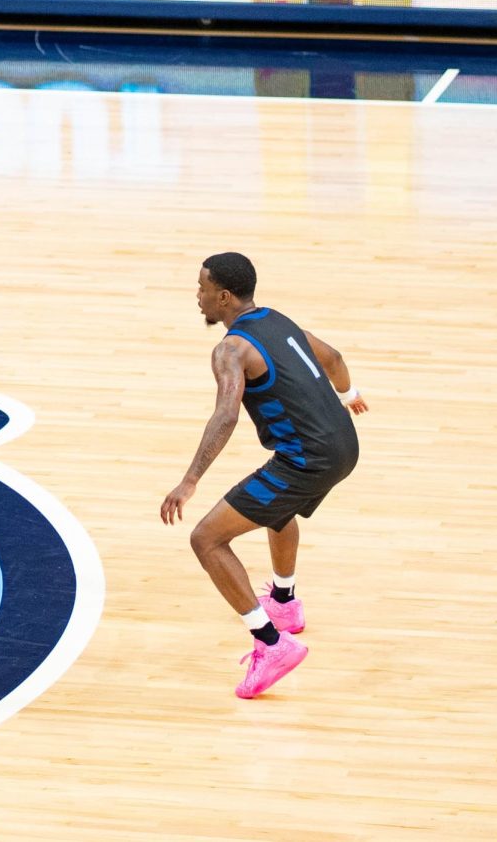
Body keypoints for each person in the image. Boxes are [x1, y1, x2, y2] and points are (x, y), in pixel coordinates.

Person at [161, 252, 368, 698]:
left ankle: (271, 643)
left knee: (207, 539)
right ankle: (285, 601)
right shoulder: (277, 320)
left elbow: (225, 416)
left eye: (202, 289)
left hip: (306, 459)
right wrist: (350, 395)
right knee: (277, 507)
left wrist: (190, 479)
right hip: (344, 445)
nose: (197, 297)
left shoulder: (230, 350)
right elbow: (332, 358)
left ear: (223, 296)